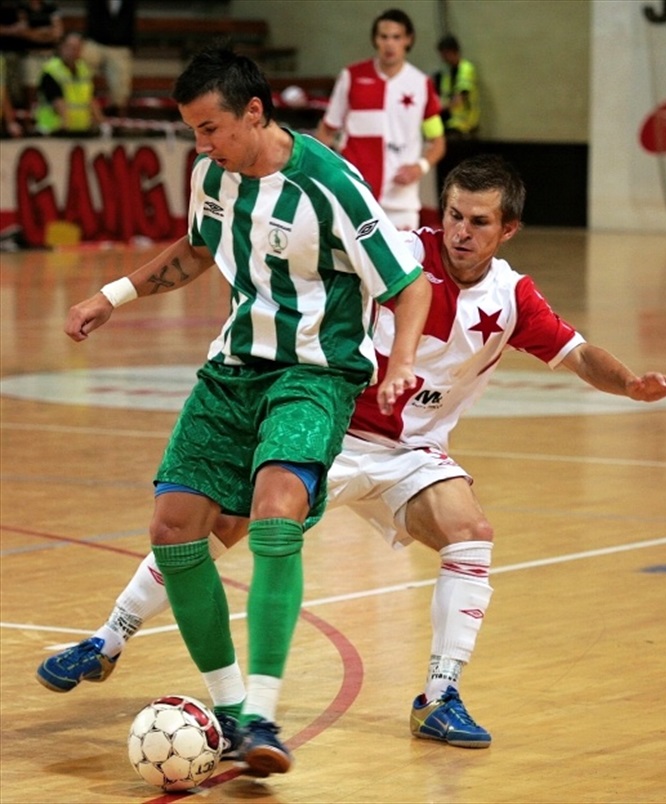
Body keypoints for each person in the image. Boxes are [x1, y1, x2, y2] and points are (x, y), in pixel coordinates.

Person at [37, 155, 666, 757]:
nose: (461, 231)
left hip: (414, 454)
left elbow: (577, 353)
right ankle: (107, 639)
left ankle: (438, 697)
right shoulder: (399, 254)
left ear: (507, 230)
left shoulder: (513, 300)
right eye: (454, 215)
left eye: (479, 222)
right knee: (226, 526)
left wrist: (630, 383)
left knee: (472, 532)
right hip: (338, 432)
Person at [51, 43, 431, 778]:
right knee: (172, 529)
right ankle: (230, 714)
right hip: (232, 370)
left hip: (314, 374)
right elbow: (197, 250)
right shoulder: (212, 177)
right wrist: (112, 296)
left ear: (253, 113)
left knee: (276, 510)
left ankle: (263, 712)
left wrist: (405, 361)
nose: (201, 145)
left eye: (209, 129)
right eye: (193, 131)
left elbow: (408, 285)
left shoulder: (331, 185)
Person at [315, 8, 445, 231]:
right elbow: (326, 132)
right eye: (383, 37)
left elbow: (438, 142)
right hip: (355, 196)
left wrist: (419, 167)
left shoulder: (421, 84)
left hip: (401, 202)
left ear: (408, 40)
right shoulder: (351, 77)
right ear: (375, 40)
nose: (389, 44)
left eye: (396, 37)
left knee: (402, 265)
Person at [34, 31, 104, 135]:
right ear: (61, 47)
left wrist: (102, 123)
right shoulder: (51, 71)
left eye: (78, 48)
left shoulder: (84, 70)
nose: (74, 51)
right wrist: (65, 124)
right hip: (54, 130)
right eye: (70, 47)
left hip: (80, 130)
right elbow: (57, 101)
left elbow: (91, 99)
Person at [80, 0, 136, 117]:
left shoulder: (130, 2)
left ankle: (116, 111)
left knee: (121, 78)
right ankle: (84, 98)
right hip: (96, 42)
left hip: (119, 46)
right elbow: (92, 22)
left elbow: (130, 24)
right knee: (82, 62)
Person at [16, 0, 63, 107]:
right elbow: (23, 32)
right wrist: (46, 33)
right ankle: (32, 115)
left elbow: (58, 33)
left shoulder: (50, 7)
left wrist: (34, 33)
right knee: (31, 88)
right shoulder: (22, 7)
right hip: (30, 55)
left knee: (54, 87)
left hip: (49, 56)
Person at [434, 34, 480, 138]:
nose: (442, 58)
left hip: (465, 125)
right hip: (451, 123)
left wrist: (438, 108)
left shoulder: (466, 69)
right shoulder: (447, 73)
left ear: (452, 52)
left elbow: (459, 99)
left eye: (444, 54)